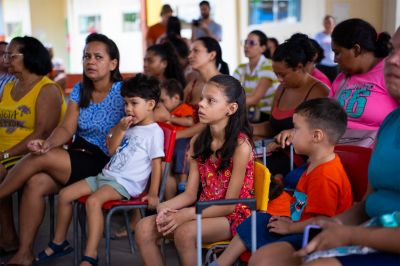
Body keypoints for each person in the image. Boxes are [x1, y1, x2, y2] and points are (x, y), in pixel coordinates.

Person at [261, 26, 400, 266]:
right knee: (267, 257)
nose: (393, 60)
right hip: (368, 227)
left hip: (386, 240)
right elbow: (367, 203)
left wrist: (347, 234)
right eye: (393, 50)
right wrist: (332, 225)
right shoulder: (391, 123)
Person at [0, 33, 125, 266]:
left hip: (104, 161)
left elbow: (150, 110)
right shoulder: (80, 89)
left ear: (113, 63)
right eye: (87, 56)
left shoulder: (123, 91)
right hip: (77, 156)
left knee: (39, 157)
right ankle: (25, 253)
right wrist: (48, 143)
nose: (91, 61)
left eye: (98, 57)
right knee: (35, 182)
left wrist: (46, 149)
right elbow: (67, 128)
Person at [35, 74, 164, 265]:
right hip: (106, 176)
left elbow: (157, 163)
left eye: (134, 103)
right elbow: (111, 150)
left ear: (151, 105)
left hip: (125, 184)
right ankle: (58, 242)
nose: (128, 109)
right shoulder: (128, 126)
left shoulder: (154, 132)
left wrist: (153, 193)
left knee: (93, 202)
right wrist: (119, 130)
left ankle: (91, 255)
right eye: (126, 103)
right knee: (65, 195)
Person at [212, 98, 353, 266]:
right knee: (259, 220)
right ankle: (221, 263)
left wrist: (291, 228)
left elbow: (320, 223)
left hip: (313, 239)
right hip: (300, 226)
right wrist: (291, 222)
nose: (291, 133)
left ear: (316, 136)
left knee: (262, 228)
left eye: (296, 128)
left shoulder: (325, 175)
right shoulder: (316, 164)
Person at [135, 74, 254, 266]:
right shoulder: (198, 141)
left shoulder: (241, 146)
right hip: (201, 210)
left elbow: (230, 205)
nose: (201, 105)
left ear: (231, 109)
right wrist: (164, 206)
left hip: (233, 217)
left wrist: (187, 214)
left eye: (210, 101)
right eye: (202, 98)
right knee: (143, 228)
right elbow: (190, 194)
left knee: (184, 232)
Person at [0, 36, 66, 258]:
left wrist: (5, 154)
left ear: (29, 56)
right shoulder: (9, 86)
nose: (6, 59)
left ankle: (12, 241)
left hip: (32, 153)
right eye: (6, 55)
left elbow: (42, 134)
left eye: (12, 55)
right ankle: (8, 239)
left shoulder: (47, 89)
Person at [253, 35, 329, 177]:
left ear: (299, 67)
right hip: (276, 151)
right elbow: (273, 126)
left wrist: (294, 133)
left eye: (283, 75)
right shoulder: (282, 89)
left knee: (252, 168)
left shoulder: (319, 91)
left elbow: (321, 134)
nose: (279, 80)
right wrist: (249, 128)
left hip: (302, 158)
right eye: (276, 74)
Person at [329, 18, 398, 131]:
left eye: (337, 53)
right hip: (337, 146)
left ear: (356, 50)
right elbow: (324, 117)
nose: (335, 60)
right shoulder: (341, 79)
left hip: (376, 146)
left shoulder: (389, 73)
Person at [157, 79, 193, 198]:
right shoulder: (168, 111)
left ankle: (183, 180)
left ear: (176, 98)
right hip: (172, 141)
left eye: (163, 100)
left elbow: (190, 121)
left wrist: (171, 118)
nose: (161, 104)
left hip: (183, 138)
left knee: (181, 152)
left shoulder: (183, 108)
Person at [233, 30, 279, 123]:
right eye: (246, 42)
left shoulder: (269, 65)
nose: (246, 46)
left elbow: (255, 99)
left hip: (266, 115)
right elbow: (230, 91)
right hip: (247, 112)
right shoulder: (240, 68)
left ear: (262, 48)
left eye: (252, 43)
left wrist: (227, 104)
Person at [315, 15, 338, 82]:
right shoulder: (318, 36)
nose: (328, 25)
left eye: (329, 22)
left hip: (334, 65)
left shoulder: (337, 36)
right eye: (326, 23)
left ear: (334, 24)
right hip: (322, 65)